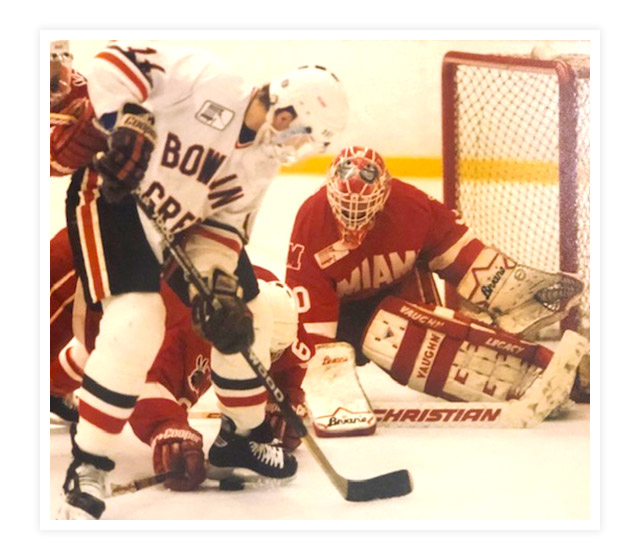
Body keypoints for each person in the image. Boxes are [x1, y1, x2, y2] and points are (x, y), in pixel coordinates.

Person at [57, 40, 348, 520]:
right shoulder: (208, 79)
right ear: (285, 110)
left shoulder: (260, 164)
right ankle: (89, 462)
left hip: (181, 225)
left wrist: (216, 288)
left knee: (247, 315)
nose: (294, 148)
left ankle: (242, 435)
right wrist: (125, 122)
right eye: (300, 133)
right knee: (137, 323)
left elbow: (222, 229)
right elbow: (115, 61)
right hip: (115, 203)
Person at [267, 145, 587, 448]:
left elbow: (467, 260)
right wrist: (296, 385)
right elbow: (311, 325)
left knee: (409, 335)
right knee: (379, 335)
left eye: (364, 208)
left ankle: (562, 373)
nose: (354, 219)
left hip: (401, 301)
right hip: (339, 320)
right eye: (346, 208)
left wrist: (509, 287)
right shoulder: (312, 220)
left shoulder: (412, 206)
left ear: (384, 193)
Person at [50, 227, 310, 492]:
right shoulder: (182, 331)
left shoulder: (268, 300)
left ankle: (52, 388)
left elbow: (285, 354)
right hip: (88, 269)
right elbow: (141, 380)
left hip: (134, 287)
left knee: (106, 347)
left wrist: (286, 398)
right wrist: (167, 427)